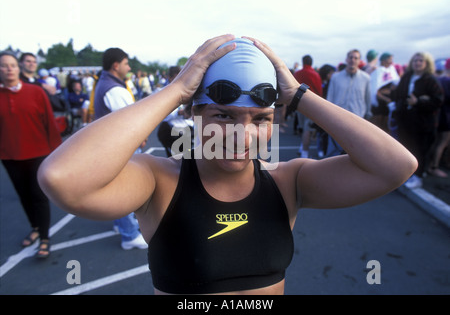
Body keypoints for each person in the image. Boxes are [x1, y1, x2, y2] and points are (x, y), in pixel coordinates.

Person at [38, 35, 417, 295]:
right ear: (193, 113)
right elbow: (62, 177)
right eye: (223, 115)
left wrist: (298, 95)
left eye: (260, 120)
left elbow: (396, 166)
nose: (243, 135)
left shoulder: (288, 181)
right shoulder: (159, 181)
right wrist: (176, 90)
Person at [0, 51, 62, 258]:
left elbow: (50, 125)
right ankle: (35, 227)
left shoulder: (36, 92)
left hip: (38, 152)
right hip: (9, 155)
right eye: (4, 65)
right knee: (23, 195)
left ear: (19, 69)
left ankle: (45, 237)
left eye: (12, 65)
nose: (9, 69)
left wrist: (57, 152)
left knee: (38, 196)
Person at [93, 47, 147, 250]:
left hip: (110, 147)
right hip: (121, 148)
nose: (129, 67)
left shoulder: (105, 83)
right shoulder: (115, 89)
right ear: (116, 65)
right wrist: (141, 138)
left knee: (117, 188)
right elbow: (130, 122)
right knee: (126, 190)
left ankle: (121, 225)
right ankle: (129, 234)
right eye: (126, 63)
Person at [392, 52, 444, 188]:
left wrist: (419, 102)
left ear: (427, 63)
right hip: (405, 122)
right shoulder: (407, 77)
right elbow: (398, 95)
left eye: (421, 60)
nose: (417, 63)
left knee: (420, 151)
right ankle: (406, 175)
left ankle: (418, 177)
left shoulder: (431, 80)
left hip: (423, 124)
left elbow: (438, 100)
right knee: (406, 149)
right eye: (415, 60)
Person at [325, 49, 372, 156]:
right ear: (346, 59)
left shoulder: (366, 78)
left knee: (356, 153)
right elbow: (330, 97)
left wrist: (368, 114)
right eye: (350, 57)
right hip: (337, 119)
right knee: (334, 152)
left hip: (357, 120)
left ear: (359, 61)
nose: (353, 60)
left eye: (356, 58)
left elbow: (367, 98)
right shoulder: (336, 77)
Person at [293, 55, 322, 158]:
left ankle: (302, 147)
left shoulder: (297, 73)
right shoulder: (315, 75)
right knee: (307, 129)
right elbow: (319, 91)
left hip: (298, 103)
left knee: (302, 127)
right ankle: (304, 153)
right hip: (311, 104)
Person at [428, 58, 450, 178]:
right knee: (442, 142)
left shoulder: (438, 79)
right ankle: (434, 166)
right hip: (446, 115)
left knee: (437, 141)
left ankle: (430, 164)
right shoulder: (447, 80)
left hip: (438, 115)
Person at [369, 52, 400, 132]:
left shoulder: (392, 70)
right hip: (379, 105)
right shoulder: (378, 72)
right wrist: (385, 99)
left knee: (386, 128)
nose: (391, 62)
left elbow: (395, 83)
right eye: (389, 60)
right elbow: (375, 89)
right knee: (377, 128)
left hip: (389, 105)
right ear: (383, 61)